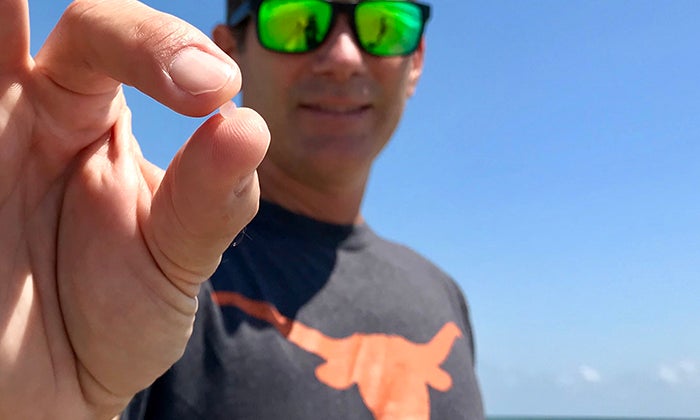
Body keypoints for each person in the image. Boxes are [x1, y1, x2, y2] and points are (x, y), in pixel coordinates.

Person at [0, 0, 482, 418]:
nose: (343, 57)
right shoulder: (146, 272)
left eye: (384, 25)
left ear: (414, 61)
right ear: (230, 51)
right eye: (297, 20)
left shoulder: (443, 297)